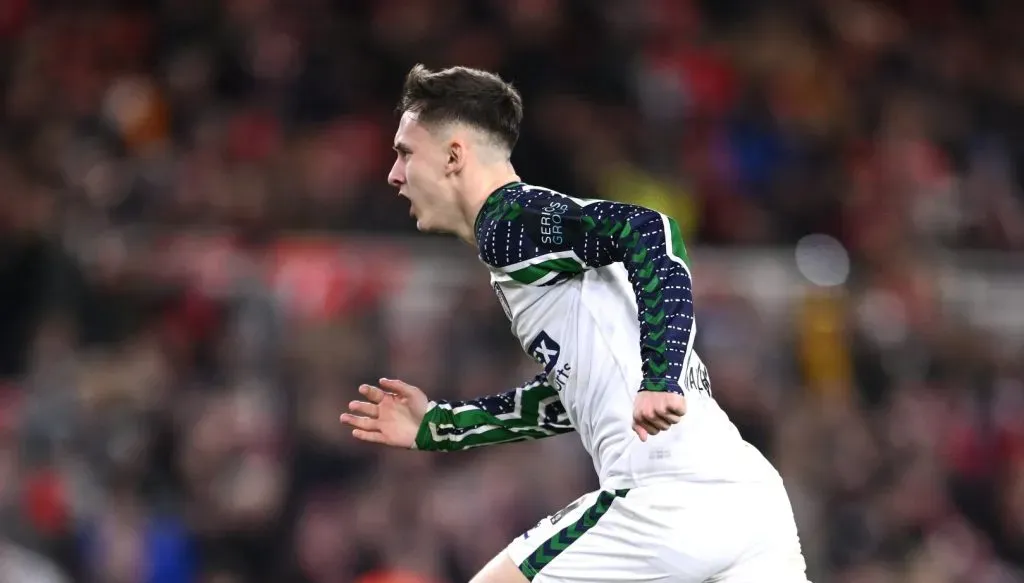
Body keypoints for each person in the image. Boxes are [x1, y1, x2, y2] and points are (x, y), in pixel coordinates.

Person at [340, 64, 811, 583]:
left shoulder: (507, 222)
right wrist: (443, 426)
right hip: (748, 499)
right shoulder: (527, 251)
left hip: (667, 496)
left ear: (454, 156)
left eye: (405, 152)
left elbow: (652, 231)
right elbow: (573, 396)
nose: (394, 174)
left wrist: (661, 376)